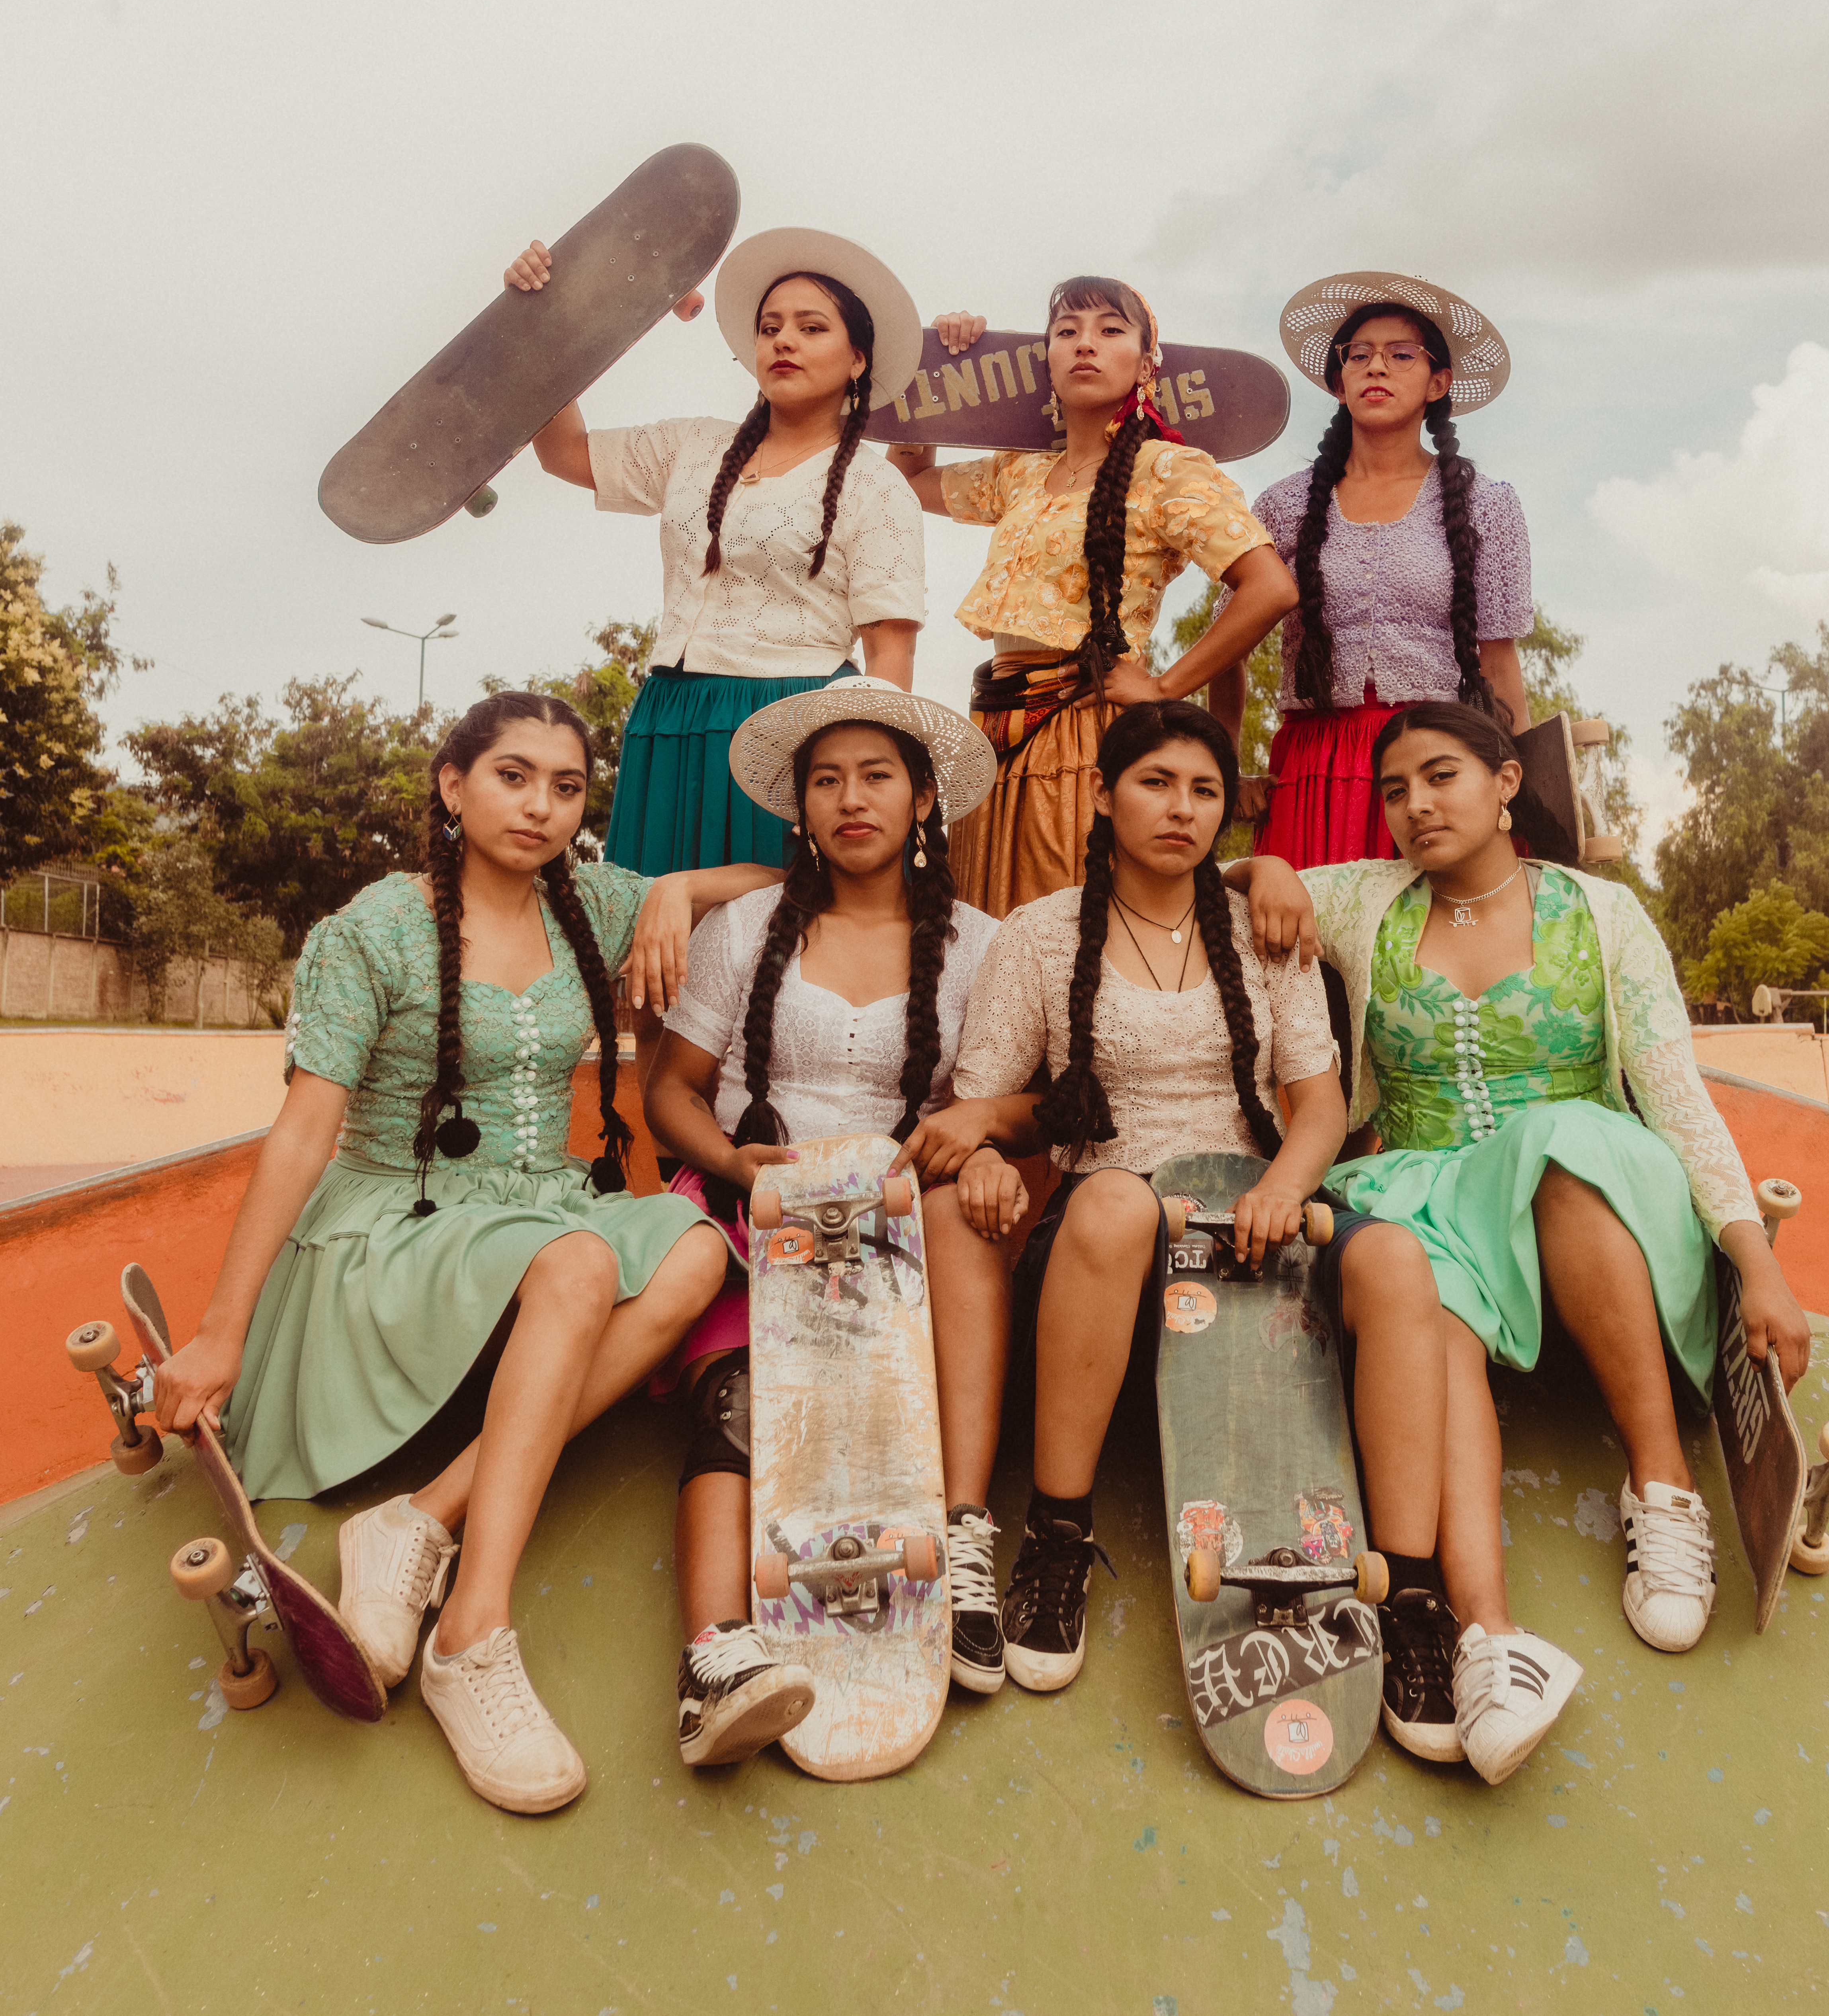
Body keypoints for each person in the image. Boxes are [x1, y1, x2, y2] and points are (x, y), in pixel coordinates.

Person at [146, 693, 768, 1816]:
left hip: (532, 1207)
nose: (541, 807)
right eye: (513, 776)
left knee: (690, 1254)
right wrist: (220, 1331)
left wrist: (678, 885)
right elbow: (302, 1133)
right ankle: (472, 1635)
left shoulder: (596, 900)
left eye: (568, 788)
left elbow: (774, 881)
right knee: (581, 1261)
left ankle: (419, 1519)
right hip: (398, 1220)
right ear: (452, 783)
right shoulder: (375, 929)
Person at [1230, 702, 1813, 1784]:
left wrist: (1757, 1260)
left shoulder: (1603, 913)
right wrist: (1266, 862)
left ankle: (1663, 1488)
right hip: (1429, 1183)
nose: (1414, 806)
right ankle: (1488, 1640)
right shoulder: (1364, 898)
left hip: (1588, 1186)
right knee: (1415, 1269)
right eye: (1394, 790)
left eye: (1441, 776)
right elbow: (1216, 874)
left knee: (1557, 1142)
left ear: (1507, 782)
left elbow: (1675, 1093)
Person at [944, 701, 1354, 1695]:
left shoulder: (1267, 929)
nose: (1182, 809)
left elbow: (1319, 1106)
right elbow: (982, 1108)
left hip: (1251, 1225)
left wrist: (1280, 1189)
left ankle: (1368, 1579)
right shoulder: (1038, 937)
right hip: (1103, 1245)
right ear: (1102, 794)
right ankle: (1056, 1534)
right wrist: (983, 1157)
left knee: (1377, 1251)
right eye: (1155, 783)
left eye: (1206, 791)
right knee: (1118, 1203)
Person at [644, 680, 1016, 1766]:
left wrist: (982, 1138)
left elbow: (1017, 1094)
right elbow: (673, 1088)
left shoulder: (986, 946)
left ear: (922, 799)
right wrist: (730, 1162)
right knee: (742, 1400)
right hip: (757, 1206)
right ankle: (715, 1654)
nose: (852, 799)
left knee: (967, 1209)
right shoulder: (745, 928)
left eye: (877, 776)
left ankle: (963, 1533)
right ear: (800, 805)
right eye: (827, 780)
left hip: (905, 1225)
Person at [505, 226, 930, 877]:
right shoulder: (693, 444)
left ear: (858, 360)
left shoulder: (879, 486)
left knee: (771, 948)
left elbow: (889, 659)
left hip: (798, 732)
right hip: (667, 717)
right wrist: (538, 321)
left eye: (812, 328)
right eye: (770, 327)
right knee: (650, 943)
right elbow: (564, 454)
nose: (783, 340)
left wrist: (862, 784)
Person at [889, 279, 1298, 917]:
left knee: (1067, 928)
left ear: (1145, 363)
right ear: (1047, 360)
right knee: (983, 924)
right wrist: (934, 371)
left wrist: (1166, 687)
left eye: (1111, 331)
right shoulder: (1017, 471)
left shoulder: (1169, 470)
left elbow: (1271, 587)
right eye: (1067, 332)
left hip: (1087, 731)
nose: (1086, 344)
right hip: (994, 727)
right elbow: (908, 481)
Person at [1221, 272, 1534, 870]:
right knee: (1307, 955)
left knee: (1433, 954)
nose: (1377, 367)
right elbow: (1227, 643)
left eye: (1400, 354)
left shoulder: (1488, 505)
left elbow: (1498, 663)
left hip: (1441, 772)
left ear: (1439, 381)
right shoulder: (1284, 506)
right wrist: (1226, 767)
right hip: (1314, 774)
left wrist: (1518, 799)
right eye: (1359, 355)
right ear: (1339, 381)